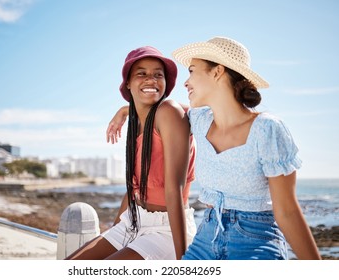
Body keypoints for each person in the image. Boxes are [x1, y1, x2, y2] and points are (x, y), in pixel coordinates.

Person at [106, 37, 321, 260]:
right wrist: (126, 109)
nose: (185, 82)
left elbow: (287, 212)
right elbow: (157, 109)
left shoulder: (267, 129)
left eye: (192, 71)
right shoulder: (200, 121)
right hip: (206, 237)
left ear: (217, 72)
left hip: (255, 240)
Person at [66, 46, 196, 260]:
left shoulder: (169, 112)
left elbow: (174, 189)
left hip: (166, 230)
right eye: (141, 73)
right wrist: (115, 229)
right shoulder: (137, 123)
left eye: (158, 74)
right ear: (128, 82)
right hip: (134, 221)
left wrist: (183, 260)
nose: (151, 79)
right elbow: (134, 189)